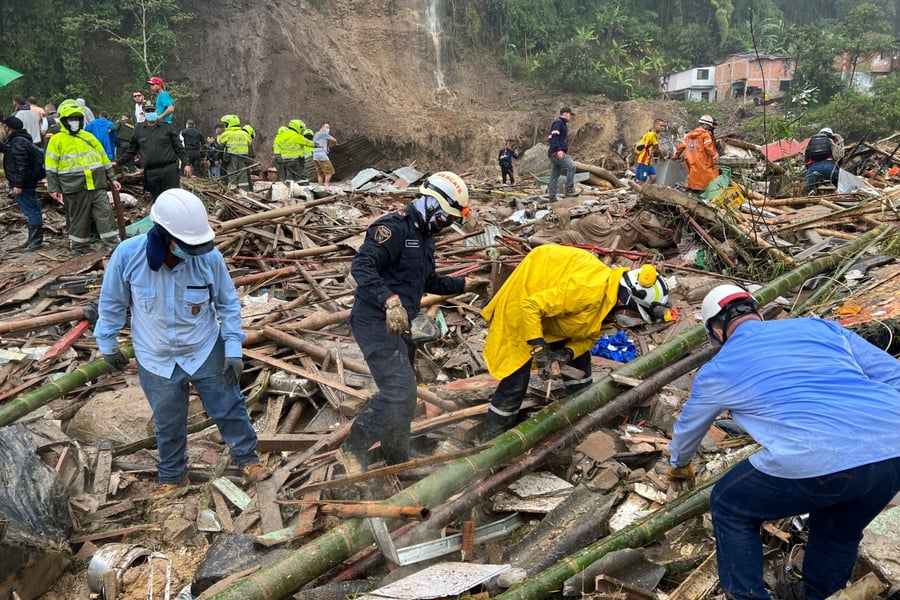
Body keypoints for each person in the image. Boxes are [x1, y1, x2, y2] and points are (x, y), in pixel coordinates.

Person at [668, 285, 900, 600]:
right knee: (837, 531)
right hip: (893, 450)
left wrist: (679, 466)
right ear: (758, 313)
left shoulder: (717, 371)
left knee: (729, 504)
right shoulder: (820, 327)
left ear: (716, 331)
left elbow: (688, 428)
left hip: (819, 457)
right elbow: (894, 375)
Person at [94, 188, 265, 497]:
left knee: (228, 407)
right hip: (155, 356)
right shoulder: (127, 256)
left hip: (203, 348)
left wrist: (233, 347)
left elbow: (227, 305)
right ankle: (173, 475)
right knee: (168, 422)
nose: (193, 251)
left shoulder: (208, 258)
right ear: (163, 235)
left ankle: (248, 459)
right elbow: (111, 303)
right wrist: (107, 343)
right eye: (187, 246)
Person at [337, 172, 489, 474]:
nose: (446, 225)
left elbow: (427, 280)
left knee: (405, 399)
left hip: (400, 325)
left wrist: (464, 284)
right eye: (445, 217)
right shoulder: (392, 229)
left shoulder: (424, 239)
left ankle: (397, 457)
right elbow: (362, 266)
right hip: (374, 322)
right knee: (397, 391)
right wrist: (388, 300)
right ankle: (351, 449)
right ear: (431, 203)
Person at [480, 247, 671, 440]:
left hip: (555, 314)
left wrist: (567, 353)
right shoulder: (588, 291)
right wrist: (540, 351)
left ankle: (580, 423)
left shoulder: (609, 303)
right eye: (635, 314)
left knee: (581, 371)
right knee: (515, 383)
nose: (633, 320)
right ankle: (492, 440)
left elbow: (589, 336)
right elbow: (530, 306)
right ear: (627, 301)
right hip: (523, 304)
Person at [45, 99, 120, 254]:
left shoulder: (89, 137)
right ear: (64, 120)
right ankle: (79, 249)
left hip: (97, 184)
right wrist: (54, 188)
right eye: (71, 119)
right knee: (79, 220)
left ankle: (114, 246)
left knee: (105, 215)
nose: (74, 122)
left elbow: (104, 159)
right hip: (74, 187)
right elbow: (51, 167)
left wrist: (112, 178)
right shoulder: (57, 140)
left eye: (77, 119)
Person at [114, 105, 190, 201]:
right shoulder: (138, 130)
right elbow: (131, 151)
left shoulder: (168, 127)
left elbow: (179, 148)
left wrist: (186, 164)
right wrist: (118, 162)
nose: (150, 113)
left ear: (156, 112)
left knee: (173, 199)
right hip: (151, 173)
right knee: (157, 200)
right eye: (148, 111)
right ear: (143, 113)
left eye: (152, 110)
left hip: (169, 171)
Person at [1, 116, 44, 251]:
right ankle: (33, 240)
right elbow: (9, 150)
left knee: (32, 211)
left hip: (24, 184)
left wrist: (18, 185)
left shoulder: (18, 142)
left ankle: (35, 242)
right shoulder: (21, 139)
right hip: (28, 181)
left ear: (8, 128)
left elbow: (21, 164)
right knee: (34, 209)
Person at [672, 114, 719, 193]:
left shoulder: (689, 135)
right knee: (710, 178)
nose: (709, 127)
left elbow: (681, 146)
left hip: (691, 160)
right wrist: (715, 156)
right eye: (708, 125)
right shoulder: (705, 135)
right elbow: (709, 147)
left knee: (693, 177)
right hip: (703, 161)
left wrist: (675, 156)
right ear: (704, 124)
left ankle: (692, 191)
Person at [546, 106, 576, 202]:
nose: (570, 117)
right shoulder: (558, 123)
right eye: (570, 114)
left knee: (554, 176)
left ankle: (552, 197)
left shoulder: (561, 123)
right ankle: (569, 190)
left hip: (553, 152)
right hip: (556, 152)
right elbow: (554, 137)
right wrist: (559, 149)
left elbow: (550, 137)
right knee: (572, 166)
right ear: (566, 114)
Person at [216, 114, 252, 189]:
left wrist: (219, 134)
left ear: (229, 124)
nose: (225, 126)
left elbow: (220, 142)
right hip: (244, 157)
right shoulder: (244, 133)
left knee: (232, 175)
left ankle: (232, 192)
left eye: (225, 124)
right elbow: (249, 142)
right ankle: (244, 192)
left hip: (232, 157)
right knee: (243, 175)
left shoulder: (227, 134)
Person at [804, 127, 844, 194]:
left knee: (809, 189)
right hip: (830, 168)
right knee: (839, 186)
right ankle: (840, 193)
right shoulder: (833, 141)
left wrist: (809, 169)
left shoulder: (812, 142)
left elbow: (807, 157)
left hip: (814, 169)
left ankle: (810, 195)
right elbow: (840, 157)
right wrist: (837, 168)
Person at [634, 118, 667, 184]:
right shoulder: (652, 135)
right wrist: (662, 156)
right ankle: (640, 192)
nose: (663, 128)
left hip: (648, 161)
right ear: (655, 125)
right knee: (642, 179)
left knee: (653, 177)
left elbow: (653, 149)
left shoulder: (654, 135)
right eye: (661, 126)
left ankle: (644, 190)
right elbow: (657, 149)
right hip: (643, 161)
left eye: (664, 126)